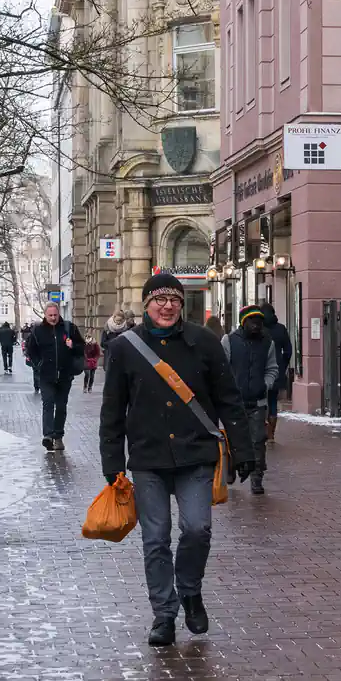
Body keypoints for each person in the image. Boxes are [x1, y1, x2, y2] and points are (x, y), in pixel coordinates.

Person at [100, 272, 256, 647]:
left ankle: (189, 590)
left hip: (195, 454)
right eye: (159, 300)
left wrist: (243, 449)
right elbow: (112, 411)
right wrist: (112, 463)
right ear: (147, 303)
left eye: (174, 300)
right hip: (148, 458)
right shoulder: (125, 349)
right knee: (155, 539)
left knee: (197, 529)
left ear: (181, 305)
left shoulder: (204, 343)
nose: (167, 306)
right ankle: (164, 615)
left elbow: (229, 399)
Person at [221, 306, 280, 494]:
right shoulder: (229, 341)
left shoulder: (267, 343)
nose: (256, 325)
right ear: (243, 322)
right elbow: (221, 368)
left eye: (259, 321)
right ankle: (231, 469)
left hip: (258, 401)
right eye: (251, 321)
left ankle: (256, 478)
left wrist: (265, 385)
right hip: (234, 402)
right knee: (232, 439)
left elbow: (272, 368)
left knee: (258, 441)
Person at [22, 301, 84, 451]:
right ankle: (48, 436)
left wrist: (73, 346)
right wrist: (38, 365)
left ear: (59, 314)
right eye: (50, 315)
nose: (53, 318)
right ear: (45, 315)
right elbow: (31, 350)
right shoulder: (38, 331)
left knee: (61, 406)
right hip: (46, 375)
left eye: (55, 315)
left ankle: (58, 436)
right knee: (48, 404)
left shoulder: (69, 328)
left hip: (65, 374)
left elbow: (81, 347)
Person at [260, 302, 294, 443]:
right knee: (273, 401)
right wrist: (282, 365)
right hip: (276, 369)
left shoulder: (259, 328)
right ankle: (271, 434)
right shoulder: (281, 329)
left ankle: (262, 431)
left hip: (261, 370)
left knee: (261, 401)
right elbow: (288, 350)